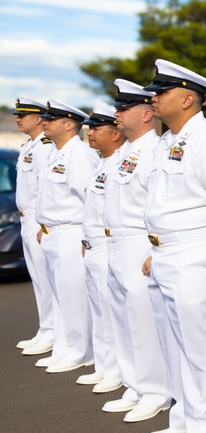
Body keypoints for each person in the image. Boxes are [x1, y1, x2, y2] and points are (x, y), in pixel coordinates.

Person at [143, 59, 206, 433]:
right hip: (163, 252)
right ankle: (185, 415)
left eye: (161, 92)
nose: (154, 98)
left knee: (198, 343)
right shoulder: (167, 140)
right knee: (173, 342)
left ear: (188, 98)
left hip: (193, 251)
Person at [101, 80, 172, 422]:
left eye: (123, 108)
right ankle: (135, 384)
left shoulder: (154, 150)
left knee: (144, 321)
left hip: (139, 242)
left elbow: (156, 204)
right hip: (116, 242)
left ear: (146, 114)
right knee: (124, 319)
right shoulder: (125, 152)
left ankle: (156, 390)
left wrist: (152, 248)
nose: (117, 113)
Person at [33, 100, 98, 373]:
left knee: (74, 296)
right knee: (60, 296)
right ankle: (64, 347)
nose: (44, 121)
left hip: (71, 233)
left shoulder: (79, 154)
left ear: (70, 124)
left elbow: (89, 200)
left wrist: (87, 237)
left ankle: (80, 351)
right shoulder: (55, 152)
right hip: (52, 233)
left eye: (52, 118)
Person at [77, 103, 125, 393]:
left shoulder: (120, 162)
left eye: (97, 128)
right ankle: (105, 366)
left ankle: (117, 370)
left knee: (113, 314)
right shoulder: (101, 163)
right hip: (93, 246)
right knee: (100, 312)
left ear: (116, 133)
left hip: (110, 246)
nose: (90, 132)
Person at [13, 97, 57, 357]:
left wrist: (42, 221)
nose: (18, 119)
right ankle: (45, 328)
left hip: (37, 219)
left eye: (23, 115)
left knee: (46, 278)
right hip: (25, 218)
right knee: (38, 279)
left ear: (38, 118)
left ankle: (52, 332)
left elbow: (46, 189)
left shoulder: (44, 147)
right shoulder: (29, 146)